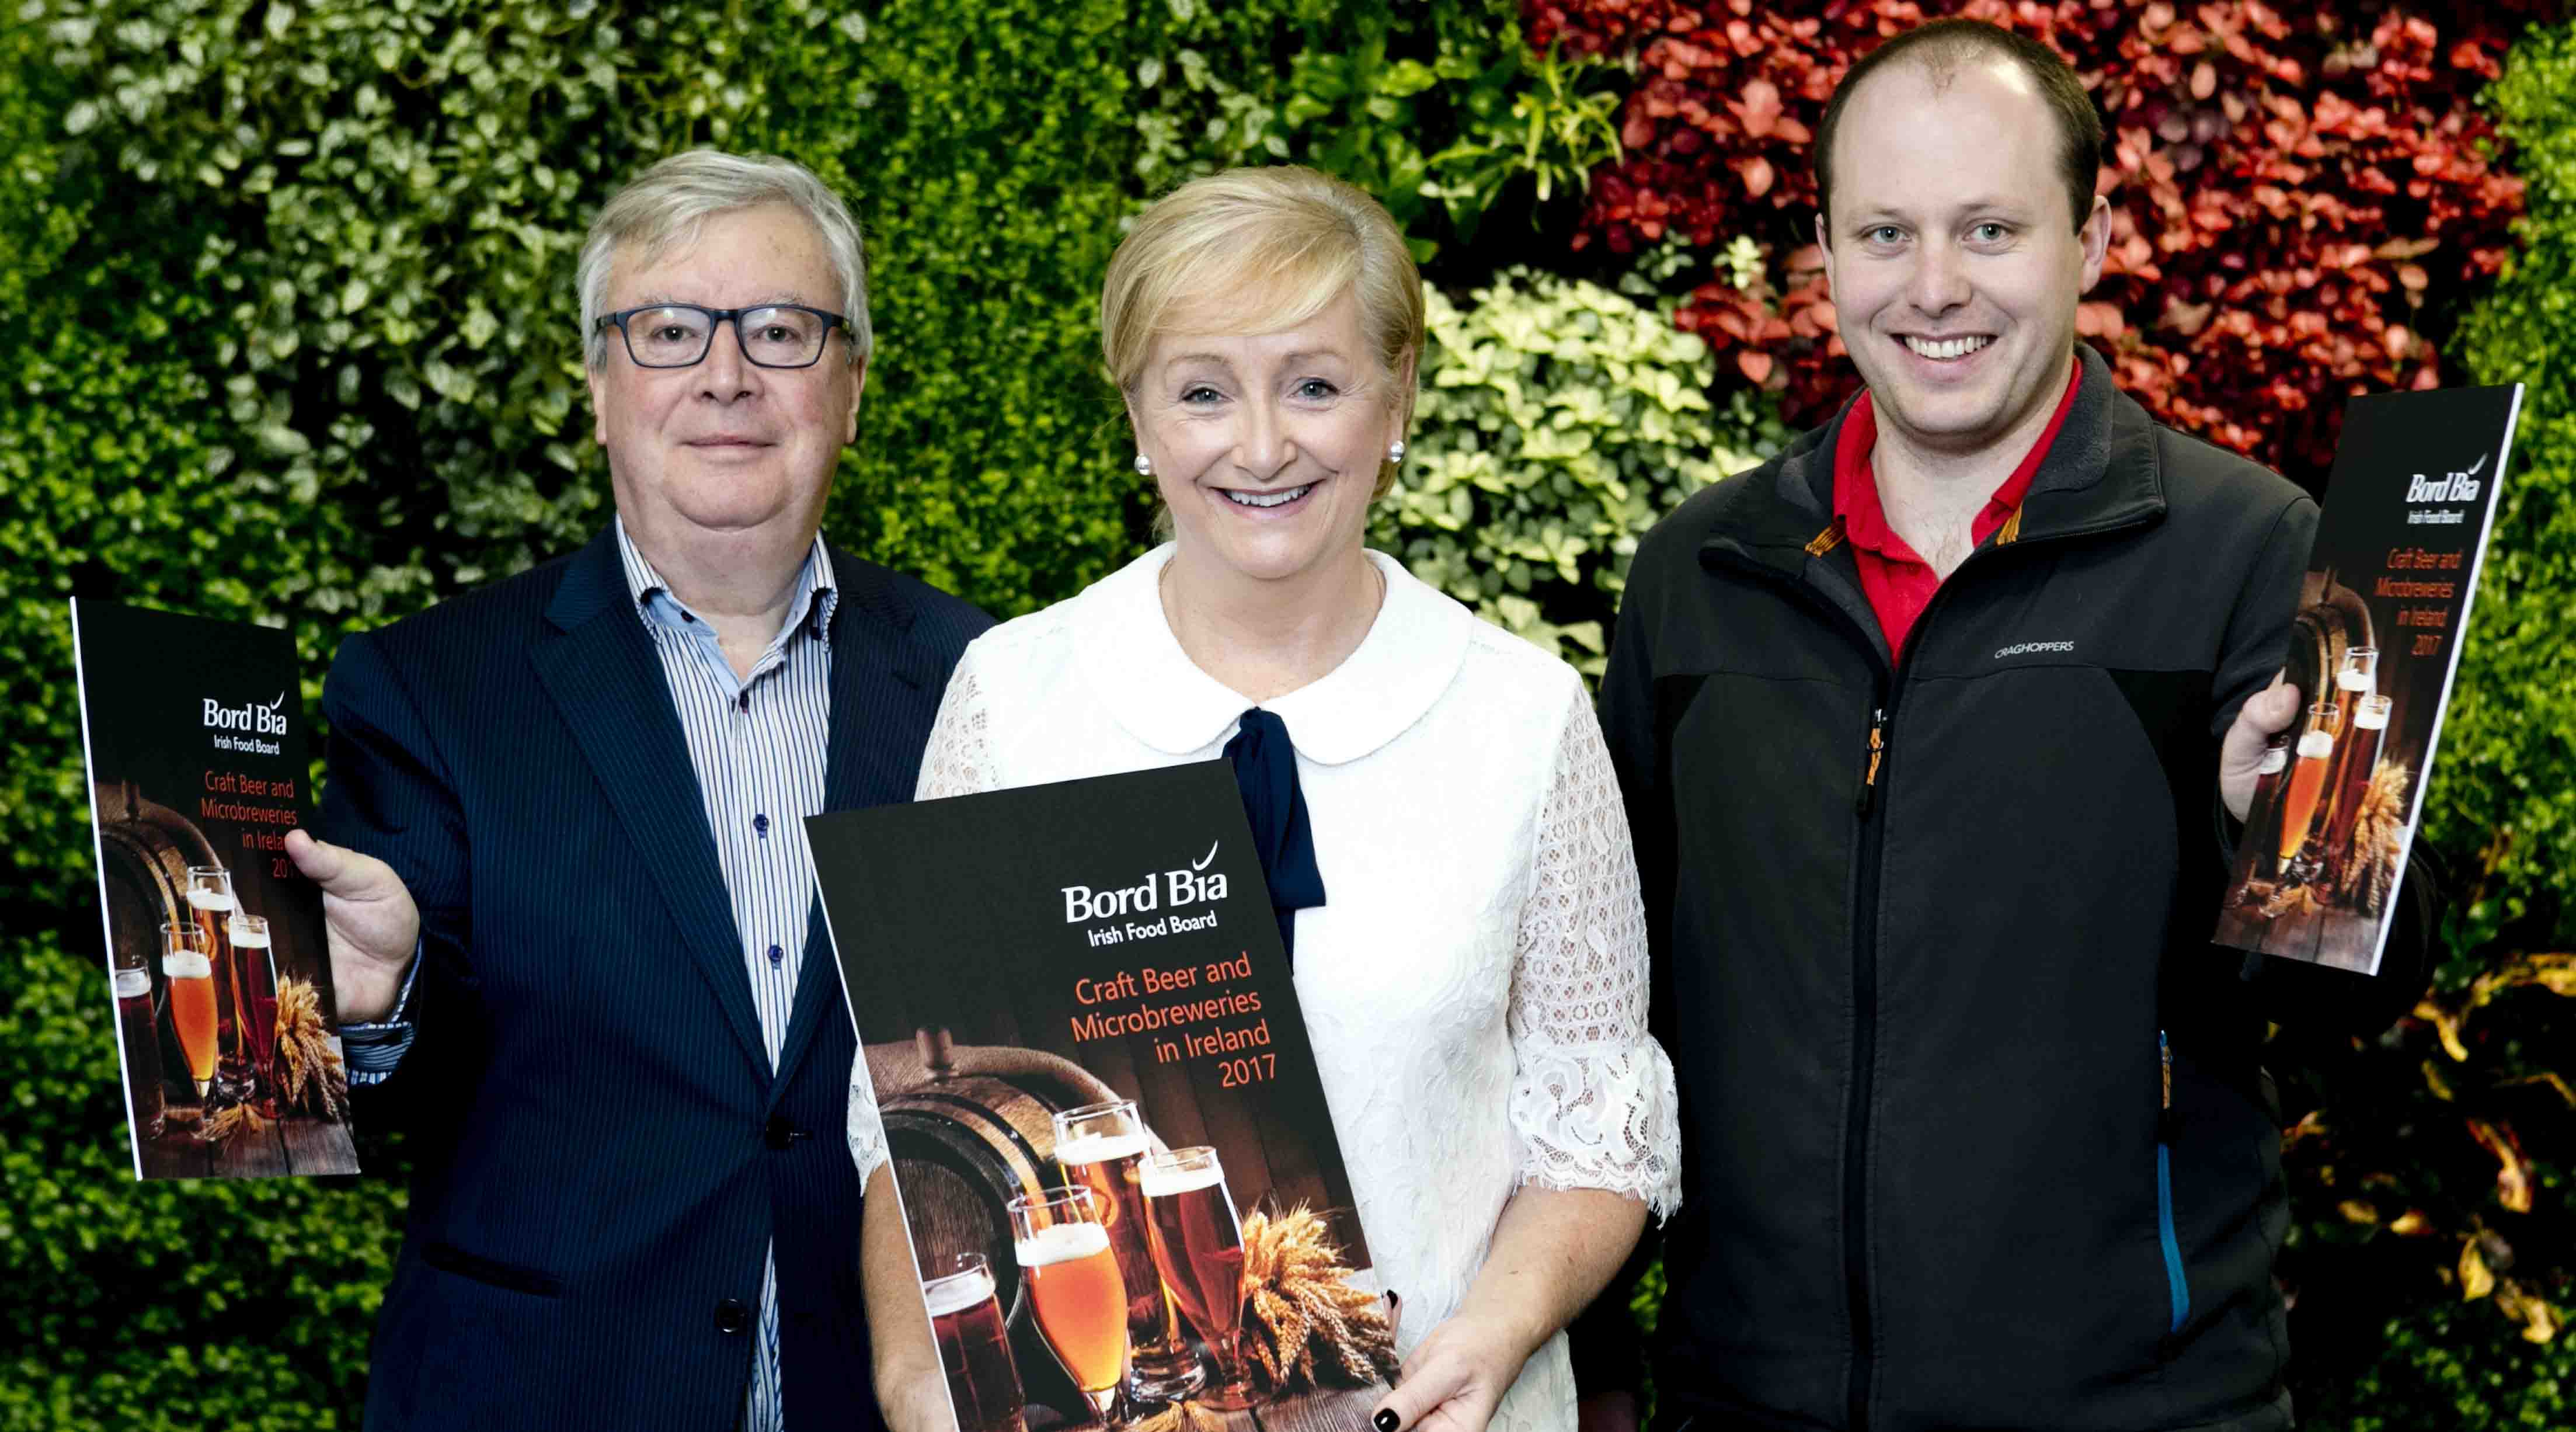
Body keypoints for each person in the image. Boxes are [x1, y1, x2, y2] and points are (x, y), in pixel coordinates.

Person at [1574, 20, 2437, 1432]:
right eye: (1884, 232)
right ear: (1825, 248)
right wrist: (1600, 1357)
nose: (1931, 288)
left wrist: (2272, 834)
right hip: (1745, 1403)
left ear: (2089, 238)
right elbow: (1607, 1016)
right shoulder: (1699, 574)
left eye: (1988, 229)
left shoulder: (2255, 550)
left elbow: (2359, 999)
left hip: (2143, 1409)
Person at [852, 165, 1683, 1432]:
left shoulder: (1523, 716)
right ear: (1137, 413)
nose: (1259, 445)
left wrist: (1498, 1330)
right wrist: (919, 1382)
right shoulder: (1013, 698)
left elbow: (1594, 1135)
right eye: (1202, 391)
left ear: (1394, 396)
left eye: (1313, 383)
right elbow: (910, 1127)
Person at [282, 150, 991, 1431]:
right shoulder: (432, 687)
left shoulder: (983, 680)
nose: (727, 375)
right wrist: (380, 999)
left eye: (780, 329)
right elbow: (382, 1110)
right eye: (669, 331)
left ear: (852, 383)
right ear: (600, 388)